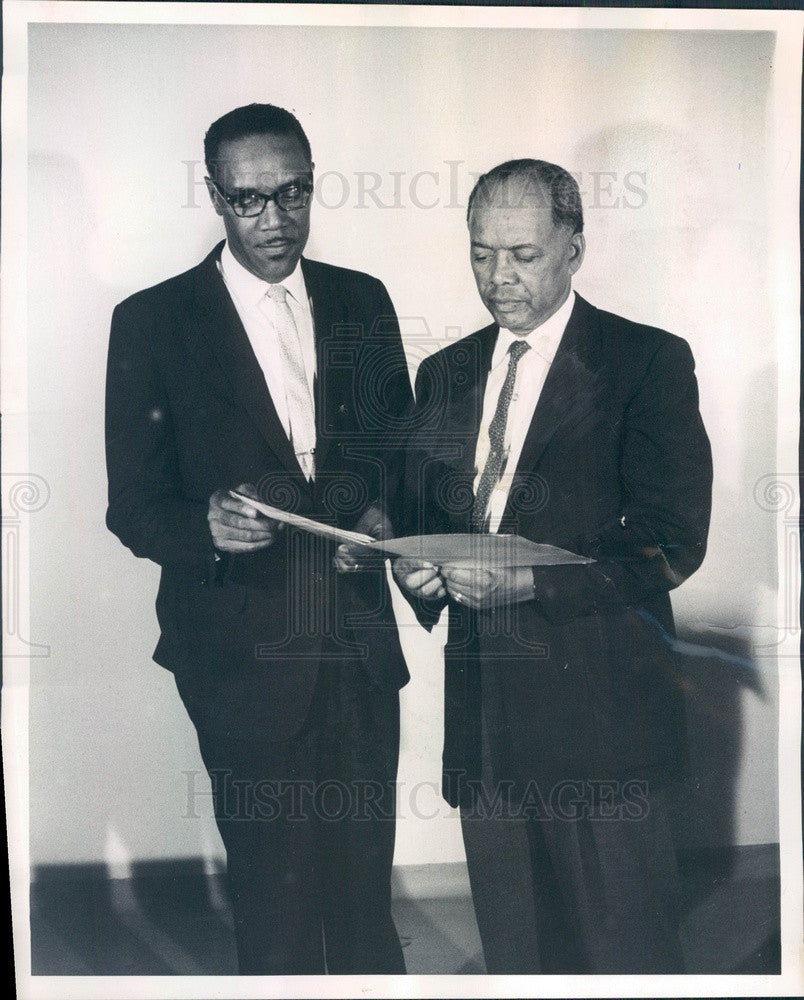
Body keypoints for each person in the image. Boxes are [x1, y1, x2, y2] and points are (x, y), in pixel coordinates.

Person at [105, 103, 412, 975]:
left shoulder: (364, 299)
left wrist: (383, 517)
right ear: (214, 196)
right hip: (237, 655)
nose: (275, 222)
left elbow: (394, 456)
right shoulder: (152, 321)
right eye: (249, 202)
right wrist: (199, 524)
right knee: (273, 909)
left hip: (355, 641)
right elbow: (131, 504)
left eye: (293, 194)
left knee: (363, 905)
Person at [394, 158, 712, 973]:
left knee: (627, 957)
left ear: (575, 248)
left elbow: (672, 541)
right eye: (480, 253)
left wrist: (531, 580)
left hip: (604, 729)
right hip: (487, 730)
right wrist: (415, 571)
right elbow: (426, 519)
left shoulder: (646, 362)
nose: (498, 278)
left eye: (523, 255)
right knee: (520, 961)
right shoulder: (446, 373)